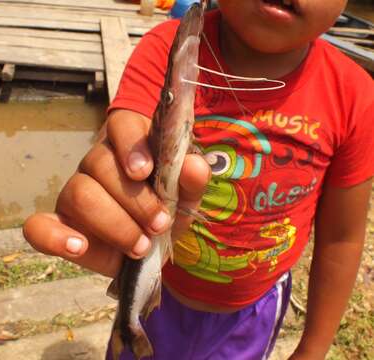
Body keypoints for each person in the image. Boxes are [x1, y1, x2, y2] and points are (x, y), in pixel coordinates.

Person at [23, 0, 373, 359]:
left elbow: (341, 239)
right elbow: (126, 133)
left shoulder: (355, 96)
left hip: (253, 312)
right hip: (155, 297)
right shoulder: (168, 50)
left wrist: (313, 349)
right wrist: (116, 178)